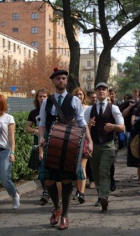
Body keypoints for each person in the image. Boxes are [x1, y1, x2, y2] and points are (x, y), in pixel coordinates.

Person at [38, 68, 93, 230]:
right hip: (51, 143)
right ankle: (56, 208)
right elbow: (41, 124)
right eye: (58, 79)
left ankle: (65, 216)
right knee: (48, 179)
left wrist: (89, 141)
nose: (61, 81)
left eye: (63, 78)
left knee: (67, 179)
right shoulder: (47, 101)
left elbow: (82, 123)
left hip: (70, 145)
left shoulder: (74, 100)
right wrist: (41, 137)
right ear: (53, 82)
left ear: (66, 81)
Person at [84, 82, 125, 212]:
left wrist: (113, 126)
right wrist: (89, 125)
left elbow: (122, 127)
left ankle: (104, 196)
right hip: (94, 145)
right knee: (96, 174)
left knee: (104, 171)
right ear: (95, 92)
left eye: (104, 89)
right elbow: (82, 127)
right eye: (99, 89)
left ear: (107, 92)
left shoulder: (113, 108)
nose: (101, 91)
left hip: (108, 145)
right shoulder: (89, 109)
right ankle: (100, 195)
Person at [25, 88, 55, 205]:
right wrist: (35, 131)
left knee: (51, 167)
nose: (42, 98)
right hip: (38, 142)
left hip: (52, 141)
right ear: (37, 98)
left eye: (44, 96)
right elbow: (27, 128)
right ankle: (45, 191)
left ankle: (53, 191)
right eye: (40, 96)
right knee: (41, 167)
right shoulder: (33, 112)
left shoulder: (52, 111)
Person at [72, 87, 90, 203]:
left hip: (85, 139)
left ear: (84, 96)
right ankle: (78, 190)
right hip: (73, 138)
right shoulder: (71, 108)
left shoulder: (88, 109)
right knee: (74, 167)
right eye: (77, 95)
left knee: (82, 166)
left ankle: (82, 192)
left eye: (81, 94)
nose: (79, 96)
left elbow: (88, 125)